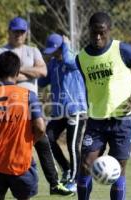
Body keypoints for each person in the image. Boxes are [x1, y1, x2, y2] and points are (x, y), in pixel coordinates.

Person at [76, 12, 131, 200]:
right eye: (94, 33)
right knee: (86, 165)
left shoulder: (122, 50)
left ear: (109, 31)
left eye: (102, 33)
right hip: (96, 121)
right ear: (89, 31)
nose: (97, 37)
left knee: (118, 169)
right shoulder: (82, 58)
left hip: (123, 121)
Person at [0, 16, 72, 195]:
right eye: (15, 31)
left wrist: (16, 69)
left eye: (22, 32)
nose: (19, 35)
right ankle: (2, 183)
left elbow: (42, 71)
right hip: (10, 104)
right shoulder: (1, 51)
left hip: (31, 102)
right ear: (9, 31)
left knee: (42, 141)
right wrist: (30, 72)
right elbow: (4, 75)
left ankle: (54, 184)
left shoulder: (33, 50)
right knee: (9, 143)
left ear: (26, 33)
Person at [0, 51, 45, 200]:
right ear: (18, 72)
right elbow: (40, 127)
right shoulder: (28, 96)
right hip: (21, 162)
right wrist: (30, 142)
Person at [38, 33, 87, 194]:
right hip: (59, 112)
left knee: (72, 145)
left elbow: (68, 61)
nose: (53, 52)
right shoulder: (53, 63)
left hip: (76, 109)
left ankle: (74, 180)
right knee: (47, 138)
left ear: (61, 47)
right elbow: (43, 81)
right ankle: (66, 169)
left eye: (56, 49)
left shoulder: (74, 58)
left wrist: (66, 44)